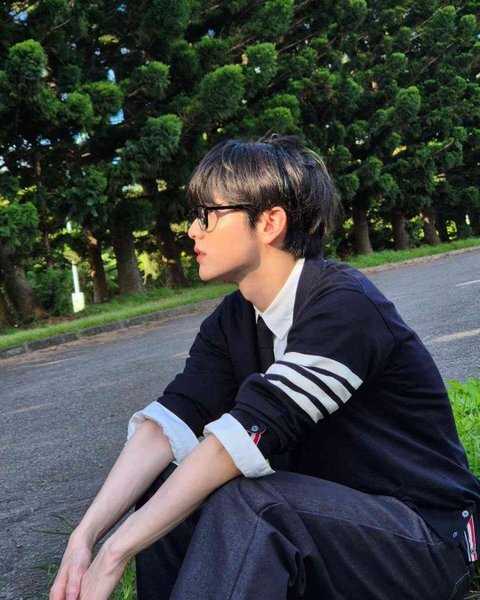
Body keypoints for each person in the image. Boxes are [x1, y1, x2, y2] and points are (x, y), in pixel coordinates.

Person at [50, 134, 479, 600]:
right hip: (326, 529)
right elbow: (167, 425)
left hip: (424, 540)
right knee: (168, 481)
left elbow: (240, 440)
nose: (192, 230)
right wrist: (85, 537)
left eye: (208, 215)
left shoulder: (346, 307)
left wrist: (116, 552)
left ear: (270, 222)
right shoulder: (233, 319)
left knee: (250, 501)